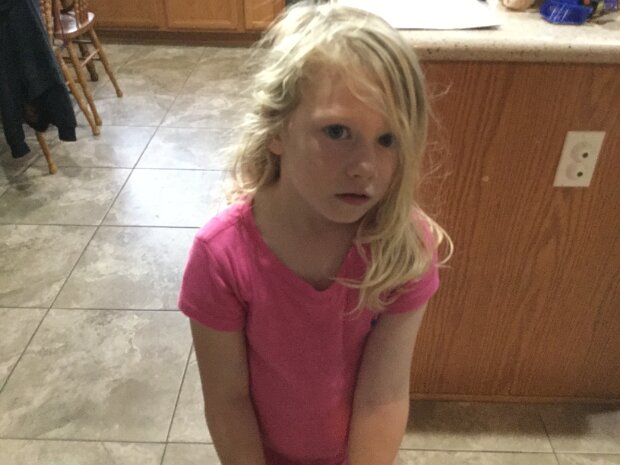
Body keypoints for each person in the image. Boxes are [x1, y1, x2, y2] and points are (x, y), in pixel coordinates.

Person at [178, 2, 453, 465]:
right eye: (337, 131)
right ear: (276, 131)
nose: (365, 166)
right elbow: (228, 403)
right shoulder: (221, 257)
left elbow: (383, 397)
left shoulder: (402, 248)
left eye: (387, 139)